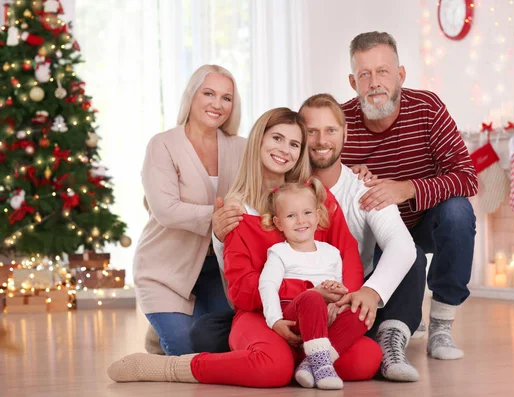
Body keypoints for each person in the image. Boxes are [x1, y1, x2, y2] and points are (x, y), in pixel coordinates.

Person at [107, 108, 382, 387]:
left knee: (367, 358)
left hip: (319, 315)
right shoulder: (237, 210)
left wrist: (340, 300)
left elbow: (347, 256)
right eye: (277, 138)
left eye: (294, 144)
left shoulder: (315, 199)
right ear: (258, 142)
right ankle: (172, 367)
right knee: (273, 368)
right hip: (261, 315)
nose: (284, 150)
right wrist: (308, 292)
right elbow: (241, 291)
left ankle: (307, 364)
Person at [341, 31, 478, 360]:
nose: (375, 82)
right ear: (352, 81)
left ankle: (441, 326)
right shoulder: (340, 122)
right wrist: (346, 176)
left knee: (458, 212)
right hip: (372, 236)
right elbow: (319, 182)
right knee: (407, 255)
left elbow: (467, 177)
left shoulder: (427, 108)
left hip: (423, 219)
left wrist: (407, 188)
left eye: (383, 71)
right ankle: (403, 315)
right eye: (365, 74)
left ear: (400, 75)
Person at [299, 93, 425, 381]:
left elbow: (402, 246)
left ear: (345, 133)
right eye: (311, 131)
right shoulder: (285, 186)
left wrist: (372, 291)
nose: (321, 140)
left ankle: (391, 338)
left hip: (355, 300)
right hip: (300, 300)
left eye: (330, 130)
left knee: (412, 257)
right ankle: (316, 354)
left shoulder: (363, 187)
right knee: (205, 334)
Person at [133, 64, 246, 356]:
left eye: (226, 97)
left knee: (226, 348)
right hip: (166, 269)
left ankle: (165, 329)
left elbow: (278, 176)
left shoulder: (242, 148)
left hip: (218, 271)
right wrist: (220, 216)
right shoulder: (163, 145)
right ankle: (164, 327)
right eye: (209, 93)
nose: (217, 104)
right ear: (191, 96)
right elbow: (166, 210)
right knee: (187, 353)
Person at [259, 178, 369, 390]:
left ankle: (310, 364)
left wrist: (339, 297)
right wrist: (274, 320)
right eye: (291, 216)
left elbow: (340, 287)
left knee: (361, 312)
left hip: (327, 316)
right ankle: (322, 365)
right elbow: (267, 285)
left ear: (318, 216)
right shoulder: (280, 253)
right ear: (279, 223)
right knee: (312, 297)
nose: (301, 220)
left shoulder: (331, 253)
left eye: (307, 213)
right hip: (296, 316)